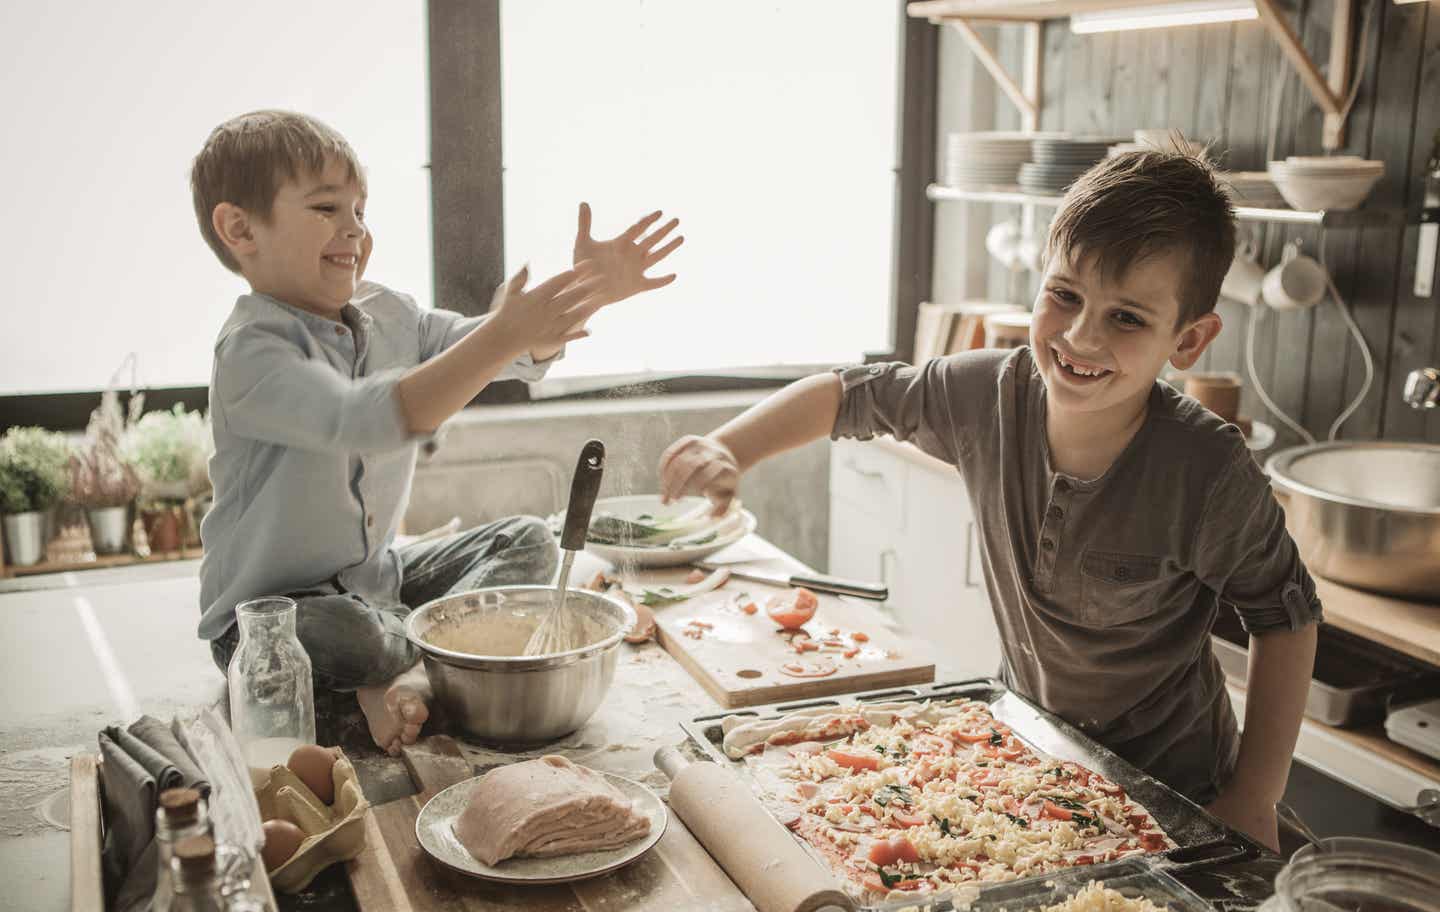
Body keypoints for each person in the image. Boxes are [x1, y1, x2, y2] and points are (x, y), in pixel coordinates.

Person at [657, 149, 1318, 850]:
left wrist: (1255, 794)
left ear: (1186, 340)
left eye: (1126, 317)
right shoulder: (986, 396)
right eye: (1064, 294)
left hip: (1181, 793)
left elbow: (1287, 615)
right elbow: (854, 394)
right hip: (1037, 760)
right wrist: (733, 447)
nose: (1079, 336)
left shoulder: (1207, 468)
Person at [190, 110, 682, 754]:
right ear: (239, 229)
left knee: (527, 540)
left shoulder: (390, 312)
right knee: (354, 637)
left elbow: (494, 347)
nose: (354, 231)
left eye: (360, 211)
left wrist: (581, 292)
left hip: (377, 583)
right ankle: (412, 661)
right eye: (325, 208)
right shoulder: (251, 352)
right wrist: (502, 332)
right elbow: (365, 416)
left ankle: (408, 667)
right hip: (270, 617)